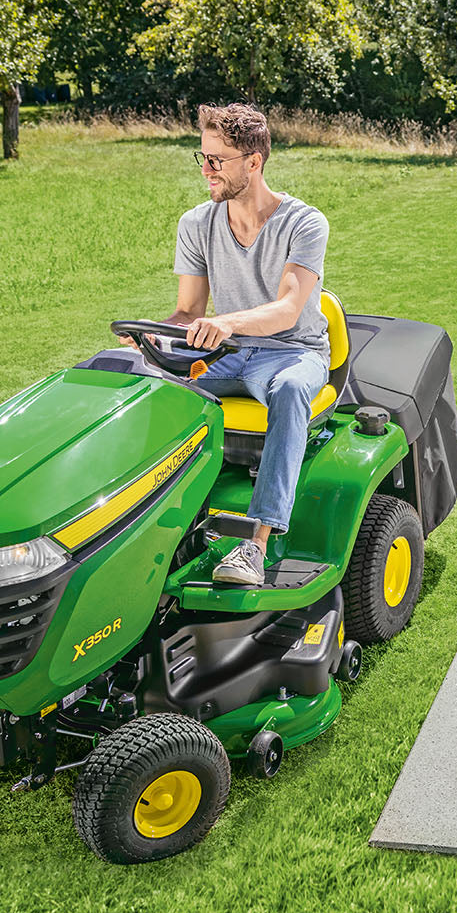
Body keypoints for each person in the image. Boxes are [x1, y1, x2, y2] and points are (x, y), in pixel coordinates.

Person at [162, 102, 331, 586]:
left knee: (291, 390)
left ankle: (254, 547)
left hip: (292, 352)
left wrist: (227, 322)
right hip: (226, 353)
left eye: (217, 160)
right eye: (203, 158)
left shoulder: (304, 223)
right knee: (143, 379)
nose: (206, 170)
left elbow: (288, 309)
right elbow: (187, 312)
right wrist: (153, 334)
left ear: (253, 162)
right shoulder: (196, 223)